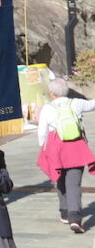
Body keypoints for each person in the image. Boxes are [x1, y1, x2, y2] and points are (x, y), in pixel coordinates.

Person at [37, 78, 95, 233]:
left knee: (59, 178)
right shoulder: (76, 103)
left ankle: (64, 212)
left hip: (56, 148)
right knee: (74, 183)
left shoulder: (47, 108)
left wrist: (43, 147)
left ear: (52, 93)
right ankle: (75, 218)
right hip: (76, 147)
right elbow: (92, 104)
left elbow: (42, 132)